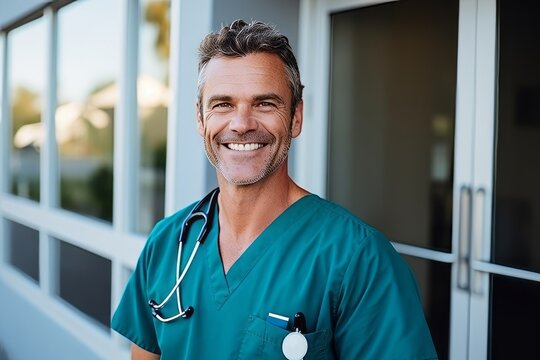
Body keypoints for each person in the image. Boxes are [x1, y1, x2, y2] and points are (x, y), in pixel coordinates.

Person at [111, 19, 438, 360]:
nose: (241, 124)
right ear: (200, 118)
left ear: (296, 116)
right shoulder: (166, 244)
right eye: (222, 104)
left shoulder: (359, 259)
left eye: (265, 103)